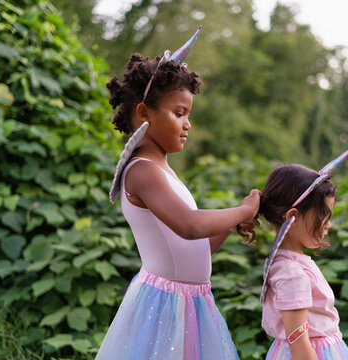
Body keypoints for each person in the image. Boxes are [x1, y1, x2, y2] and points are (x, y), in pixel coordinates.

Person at [95, 27, 260, 360]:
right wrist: (243, 210)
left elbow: (191, 245)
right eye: (179, 114)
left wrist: (228, 226)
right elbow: (189, 225)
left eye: (188, 115)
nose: (187, 125)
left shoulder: (163, 170)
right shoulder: (142, 171)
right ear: (144, 113)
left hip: (192, 303)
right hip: (164, 307)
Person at [258, 144, 348, 360]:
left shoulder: (291, 263)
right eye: (324, 216)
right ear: (293, 217)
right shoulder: (291, 273)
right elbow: (300, 346)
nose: (328, 225)